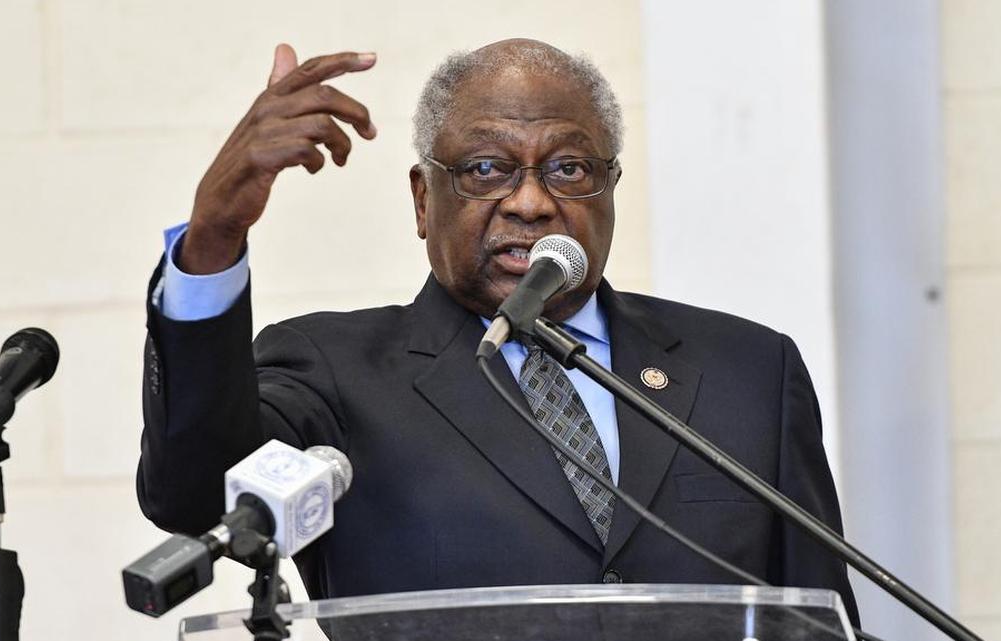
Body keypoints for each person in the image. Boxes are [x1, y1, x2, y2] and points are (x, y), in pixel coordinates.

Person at [137, 38, 859, 623]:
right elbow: (198, 496)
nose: (531, 202)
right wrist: (214, 236)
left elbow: (819, 615)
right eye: (487, 169)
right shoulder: (334, 370)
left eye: (569, 168)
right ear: (424, 201)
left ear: (610, 189)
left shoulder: (748, 370)